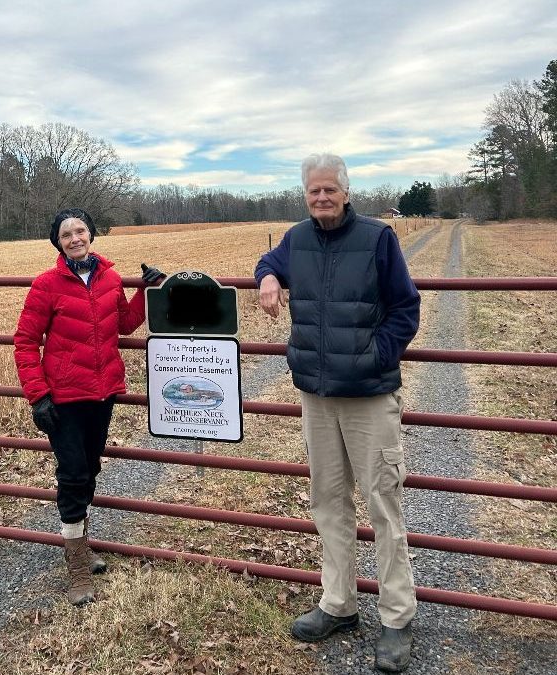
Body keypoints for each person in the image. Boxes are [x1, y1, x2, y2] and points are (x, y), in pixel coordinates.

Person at [254, 154, 420, 672]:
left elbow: (406, 309)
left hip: (369, 394)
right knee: (327, 502)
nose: (321, 198)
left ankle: (396, 616)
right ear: (305, 196)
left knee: (383, 504)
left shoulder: (377, 239)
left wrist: (375, 356)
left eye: (329, 190)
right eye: (313, 192)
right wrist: (266, 279)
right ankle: (339, 603)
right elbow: (272, 264)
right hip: (317, 395)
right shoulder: (295, 238)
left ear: (346, 192)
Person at [13, 207, 164, 606]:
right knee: (74, 473)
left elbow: (126, 324)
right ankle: (77, 566)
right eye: (67, 235)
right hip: (63, 398)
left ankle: (80, 542)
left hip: (102, 393)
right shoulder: (47, 284)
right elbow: (26, 341)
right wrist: (38, 395)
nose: (75, 238)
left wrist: (147, 290)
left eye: (80, 231)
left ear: (91, 235)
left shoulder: (111, 277)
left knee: (91, 467)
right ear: (58, 244)